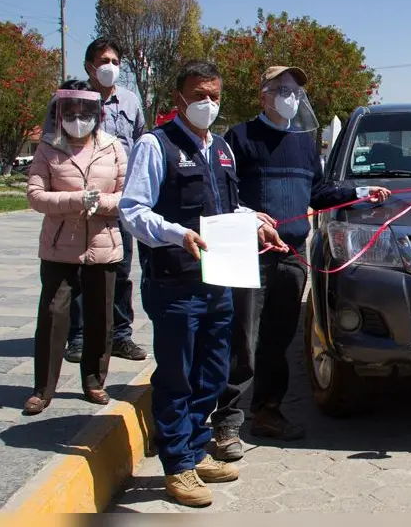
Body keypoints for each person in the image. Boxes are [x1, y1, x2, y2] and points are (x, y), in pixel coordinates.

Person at [119, 60, 287, 507]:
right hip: (175, 283)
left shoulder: (221, 149)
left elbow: (225, 208)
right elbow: (133, 211)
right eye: (198, 95)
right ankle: (177, 467)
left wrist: (254, 222)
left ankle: (194, 452)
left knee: (212, 372)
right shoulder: (156, 145)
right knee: (178, 376)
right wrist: (178, 233)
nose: (207, 103)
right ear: (179, 99)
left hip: (219, 281)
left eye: (213, 94)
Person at [210, 66, 390, 460]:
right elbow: (220, 194)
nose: (290, 97)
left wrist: (361, 192)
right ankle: (225, 422)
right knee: (241, 339)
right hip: (248, 255)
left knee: (278, 338)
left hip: (291, 256)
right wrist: (248, 215)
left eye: (294, 91)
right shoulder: (239, 138)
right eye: (282, 90)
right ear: (264, 96)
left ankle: (267, 412)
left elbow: (319, 191)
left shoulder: (305, 143)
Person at [24, 80, 128, 414]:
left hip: (103, 243)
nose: (78, 117)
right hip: (60, 245)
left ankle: (95, 381)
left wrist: (103, 203)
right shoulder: (48, 148)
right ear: (60, 112)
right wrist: (75, 200)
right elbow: (35, 195)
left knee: (101, 315)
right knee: (54, 314)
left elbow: (130, 196)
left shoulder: (113, 147)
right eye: (71, 111)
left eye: (85, 111)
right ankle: (43, 388)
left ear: (97, 114)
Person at [42, 38, 147, 364]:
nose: (110, 67)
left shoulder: (130, 101)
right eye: (104, 60)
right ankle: (78, 336)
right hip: (79, 203)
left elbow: (141, 142)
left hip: (119, 201)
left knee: (120, 270)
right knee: (77, 272)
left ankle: (120, 336)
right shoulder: (67, 101)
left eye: (115, 61)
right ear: (89, 66)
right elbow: (50, 146)